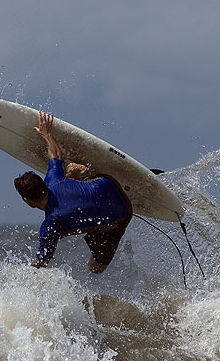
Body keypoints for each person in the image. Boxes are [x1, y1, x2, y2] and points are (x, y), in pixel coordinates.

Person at [14, 112, 133, 273]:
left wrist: (23, 274)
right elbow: (55, 154)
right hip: (109, 182)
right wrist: (47, 135)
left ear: (26, 200)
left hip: (123, 215)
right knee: (63, 169)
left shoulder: (50, 225)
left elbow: (42, 261)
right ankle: (81, 170)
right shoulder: (53, 179)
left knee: (95, 268)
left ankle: (93, 230)